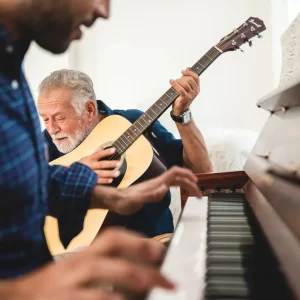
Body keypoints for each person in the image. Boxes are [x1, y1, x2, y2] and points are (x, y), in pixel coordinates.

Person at [0, 0, 201, 299]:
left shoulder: (11, 74)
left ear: (90, 109)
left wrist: (107, 195)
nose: (104, 11)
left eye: (59, 118)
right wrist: (22, 291)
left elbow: (24, 186)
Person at [39, 69, 213, 237]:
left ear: (90, 109)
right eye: (45, 119)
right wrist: (75, 174)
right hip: (87, 254)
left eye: (60, 118)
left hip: (152, 244)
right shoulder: (47, 142)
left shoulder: (133, 123)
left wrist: (182, 114)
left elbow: (202, 174)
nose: (52, 129)